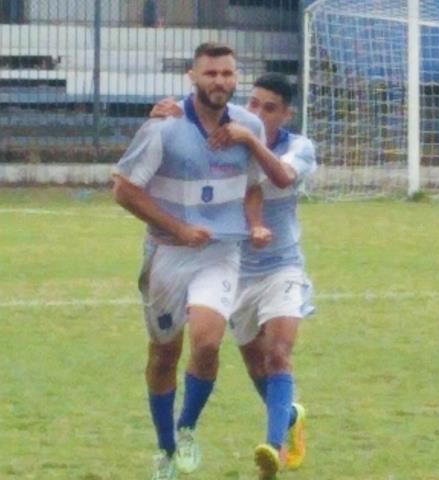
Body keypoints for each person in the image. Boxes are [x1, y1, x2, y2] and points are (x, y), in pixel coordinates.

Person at [112, 42, 272, 480]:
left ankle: (186, 428)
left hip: (221, 251)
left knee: (206, 341)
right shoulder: (164, 125)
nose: (220, 81)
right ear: (193, 77)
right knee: (164, 355)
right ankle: (165, 449)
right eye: (211, 73)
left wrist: (254, 222)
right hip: (167, 253)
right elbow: (124, 189)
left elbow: (255, 184)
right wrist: (178, 229)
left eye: (227, 74)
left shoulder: (249, 125)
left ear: (236, 78)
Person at [151, 73, 317, 479]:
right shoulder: (223, 138)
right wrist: (167, 117)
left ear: (287, 114)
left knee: (279, 354)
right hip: (233, 268)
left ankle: (272, 448)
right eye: (254, 103)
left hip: (281, 267)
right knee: (253, 367)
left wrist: (249, 139)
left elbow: (280, 177)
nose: (257, 112)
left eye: (270, 107)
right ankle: (290, 416)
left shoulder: (298, 147)